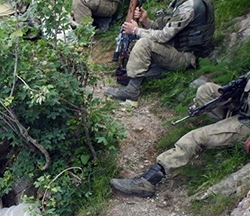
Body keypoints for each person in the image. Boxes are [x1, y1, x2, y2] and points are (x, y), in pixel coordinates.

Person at [110, 73, 250, 198]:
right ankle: (223, 126)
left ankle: (148, 181)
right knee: (205, 90)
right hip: (243, 110)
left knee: (195, 138)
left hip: (246, 123)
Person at [106, 0, 215, 101]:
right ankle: (142, 74)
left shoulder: (190, 6)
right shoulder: (180, 2)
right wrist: (146, 21)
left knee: (144, 43)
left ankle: (132, 89)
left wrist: (136, 30)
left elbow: (163, 36)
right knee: (136, 43)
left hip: (186, 56)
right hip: (175, 49)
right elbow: (166, 29)